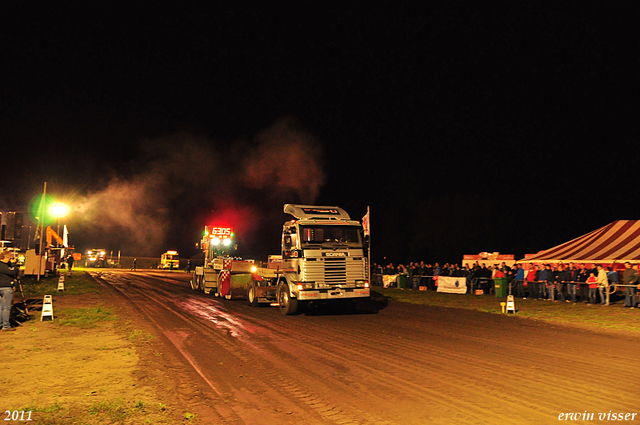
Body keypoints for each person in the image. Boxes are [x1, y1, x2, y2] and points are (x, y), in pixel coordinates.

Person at [0, 251, 19, 331]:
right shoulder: (3, 266)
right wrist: (14, 264)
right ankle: (6, 325)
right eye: (10, 257)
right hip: (6, 287)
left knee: (1, 307)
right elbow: (13, 272)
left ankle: (1, 323)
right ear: (6, 257)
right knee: (6, 307)